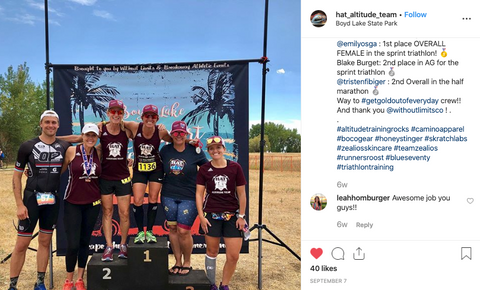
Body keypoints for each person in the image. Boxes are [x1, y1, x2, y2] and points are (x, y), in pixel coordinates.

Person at [8, 110, 70, 290]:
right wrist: (19, 204)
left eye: (54, 123)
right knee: (22, 244)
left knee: (44, 242)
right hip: (31, 199)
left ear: (58, 125)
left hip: (53, 199)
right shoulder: (27, 146)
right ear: (41, 124)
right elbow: (16, 178)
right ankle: (12, 286)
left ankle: (40, 283)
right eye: (47, 122)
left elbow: (80, 138)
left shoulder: (63, 146)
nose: (51, 126)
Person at [195, 136, 247, 290]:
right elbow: (199, 194)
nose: (215, 151)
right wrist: (201, 217)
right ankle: (211, 284)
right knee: (212, 251)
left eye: (218, 147)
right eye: (211, 148)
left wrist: (242, 216)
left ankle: (224, 285)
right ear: (208, 151)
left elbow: (242, 194)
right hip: (211, 216)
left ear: (224, 149)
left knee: (233, 256)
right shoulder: (204, 169)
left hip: (232, 216)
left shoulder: (235, 167)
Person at [160, 120, 208, 276]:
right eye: (176, 133)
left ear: (186, 134)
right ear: (172, 134)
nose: (179, 136)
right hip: (168, 195)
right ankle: (178, 262)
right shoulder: (165, 151)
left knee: (183, 231)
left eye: (182, 133)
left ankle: (187, 262)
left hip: (189, 196)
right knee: (172, 229)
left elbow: (207, 170)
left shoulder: (195, 151)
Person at [60, 123, 102, 290]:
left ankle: (79, 279)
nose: (90, 138)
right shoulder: (72, 151)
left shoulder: (99, 152)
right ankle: (68, 279)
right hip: (72, 203)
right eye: (87, 135)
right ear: (82, 136)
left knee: (85, 241)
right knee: (72, 244)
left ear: (97, 138)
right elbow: (59, 171)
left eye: (94, 136)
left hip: (92, 204)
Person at [122, 105, 169, 244]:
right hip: (139, 170)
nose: (150, 119)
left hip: (156, 169)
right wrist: (100, 125)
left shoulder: (160, 131)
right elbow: (117, 122)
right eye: (147, 116)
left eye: (153, 116)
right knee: (137, 200)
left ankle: (149, 231)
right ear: (142, 117)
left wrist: (189, 142)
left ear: (157, 119)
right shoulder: (135, 126)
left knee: (153, 198)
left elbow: (175, 140)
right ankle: (139, 232)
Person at [98, 100, 134, 262]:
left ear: (123, 114)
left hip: (123, 178)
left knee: (124, 213)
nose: (116, 114)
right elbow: (84, 139)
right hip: (105, 178)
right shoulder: (101, 130)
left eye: (119, 112)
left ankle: (123, 245)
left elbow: (146, 132)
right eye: (113, 111)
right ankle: (108, 246)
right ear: (108, 112)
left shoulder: (126, 131)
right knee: (107, 212)